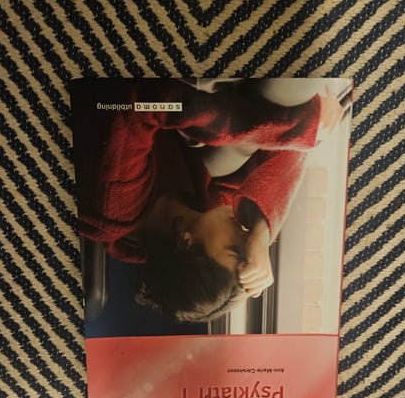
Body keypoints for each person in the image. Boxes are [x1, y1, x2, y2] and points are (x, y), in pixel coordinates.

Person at [73, 79, 343, 322]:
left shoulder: (113, 204)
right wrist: (262, 232)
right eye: (247, 246)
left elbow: (138, 102)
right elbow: (287, 148)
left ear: (186, 242)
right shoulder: (198, 211)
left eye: (234, 249)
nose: (244, 235)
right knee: (282, 112)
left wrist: (296, 126)